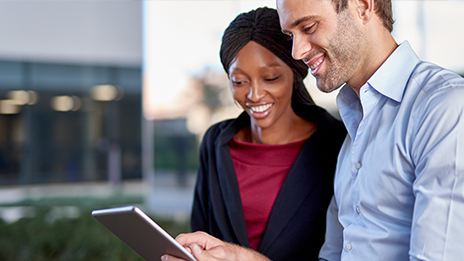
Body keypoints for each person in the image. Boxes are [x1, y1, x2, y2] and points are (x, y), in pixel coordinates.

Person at [163, 0, 464, 260]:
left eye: (307, 28)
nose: (296, 52)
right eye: (291, 35)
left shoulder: (443, 108)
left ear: (363, 5)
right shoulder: (353, 132)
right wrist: (240, 257)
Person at [170, 6, 346, 261]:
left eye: (271, 78)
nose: (254, 95)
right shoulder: (216, 142)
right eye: (239, 81)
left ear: (295, 74)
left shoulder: (336, 143)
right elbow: (201, 233)